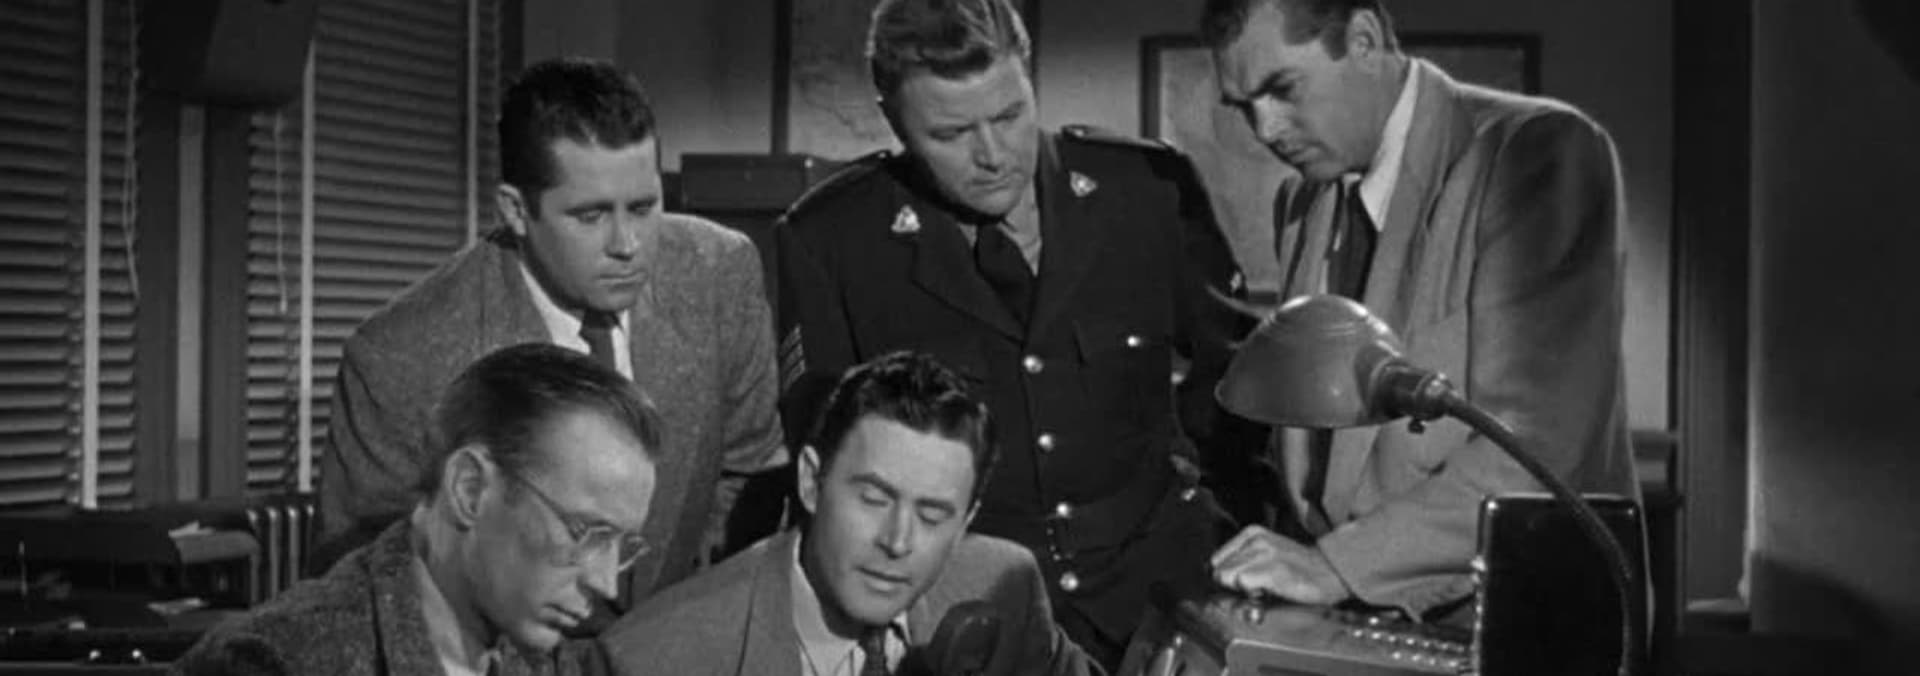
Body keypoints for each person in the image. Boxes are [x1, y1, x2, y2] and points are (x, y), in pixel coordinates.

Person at [775, 0, 1257, 665]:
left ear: (1029, 80)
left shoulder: (1147, 190)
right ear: (893, 119)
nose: (993, 155)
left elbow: (1237, 390)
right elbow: (827, 469)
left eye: (1009, 116)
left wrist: (1229, 541)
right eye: (951, 133)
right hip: (967, 623)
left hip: (1164, 601)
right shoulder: (834, 240)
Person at [1199, 0, 1638, 618]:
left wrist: (1334, 566)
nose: (1266, 129)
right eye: (1244, 107)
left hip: (1515, 616)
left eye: (1282, 89)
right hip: (1353, 616)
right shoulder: (1301, 203)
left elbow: (1538, 454)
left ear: (1363, 39)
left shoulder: (1535, 153)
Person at [319, 58, 786, 604]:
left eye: (643, 208)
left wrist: (677, 627)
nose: (628, 244)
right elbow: (364, 587)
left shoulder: (717, 274)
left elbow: (751, 473)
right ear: (516, 211)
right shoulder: (400, 356)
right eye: (591, 216)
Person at [174, 344, 660, 675]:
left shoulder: (545, 654)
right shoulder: (276, 662)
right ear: (470, 490)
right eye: (586, 533)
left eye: (622, 545)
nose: (606, 583)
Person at [598, 352, 1096, 675]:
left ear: (966, 522)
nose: (897, 541)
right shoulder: (655, 658)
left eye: (932, 515)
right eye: (874, 499)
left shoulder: (1003, 584)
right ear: (811, 482)